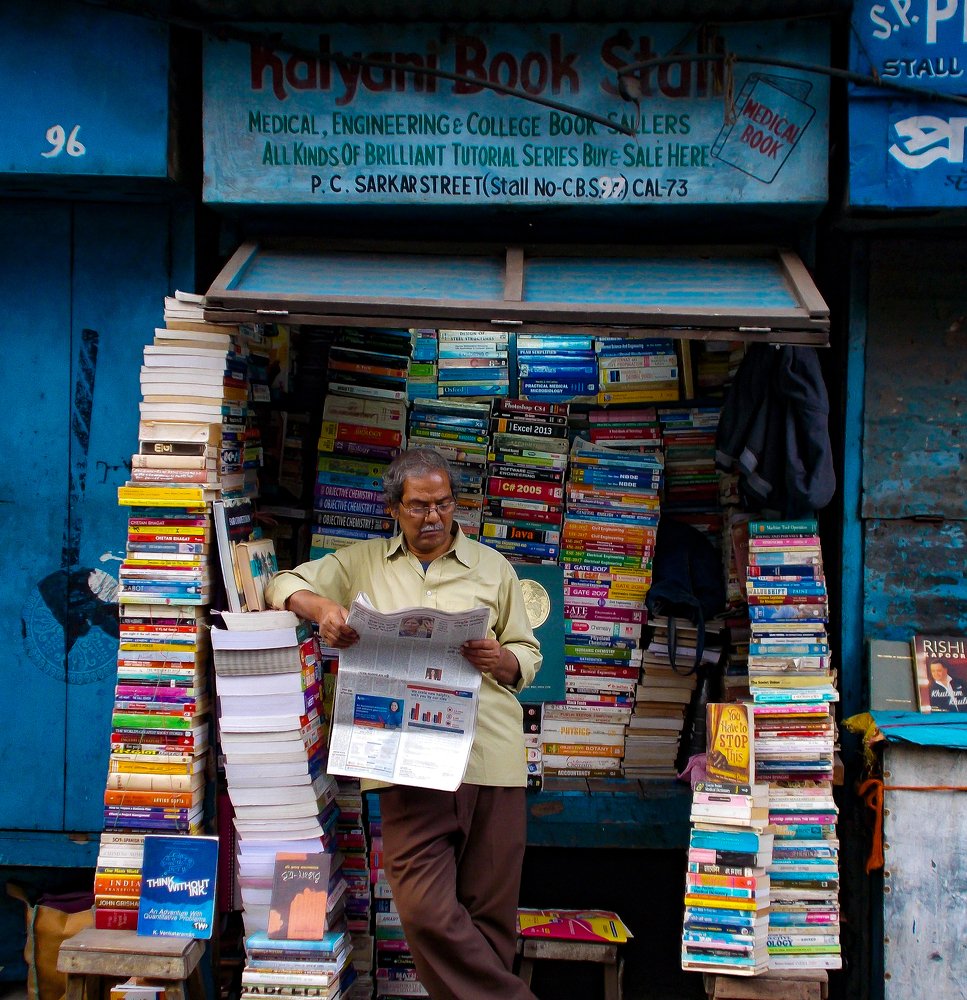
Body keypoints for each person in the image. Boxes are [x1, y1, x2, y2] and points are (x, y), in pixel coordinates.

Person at [265, 447, 542, 1000]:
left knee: (490, 916)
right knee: (423, 911)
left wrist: (504, 660)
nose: (433, 517)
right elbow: (280, 584)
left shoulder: (493, 567)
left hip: (490, 754)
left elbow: (526, 652)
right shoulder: (361, 562)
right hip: (405, 758)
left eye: (443, 504)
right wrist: (324, 612)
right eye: (418, 506)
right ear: (395, 507)